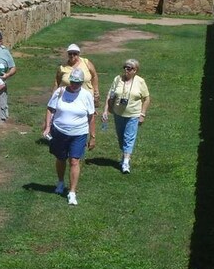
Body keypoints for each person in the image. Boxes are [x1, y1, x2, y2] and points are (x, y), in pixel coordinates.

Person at [43, 68, 96, 206]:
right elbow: (50, 108)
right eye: (73, 82)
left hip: (79, 133)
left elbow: (91, 116)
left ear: (82, 82)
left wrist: (93, 136)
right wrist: (48, 126)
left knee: (74, 161)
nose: (74, 85)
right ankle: (61, 182)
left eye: (78, 83)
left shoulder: (86, 95)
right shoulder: (60, 92)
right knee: (60, 158)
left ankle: (72, 192)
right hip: (59, 132)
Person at [102, 59, 150, 174]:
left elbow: (147, 98)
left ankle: (126, 163)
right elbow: (111, 95)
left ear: (135, 70)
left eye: (129, 68)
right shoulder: (117, 79)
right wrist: (106, 110)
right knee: (121, 137)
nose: (126, 70)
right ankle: (124, 157)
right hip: (118, 113)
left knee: (129, 137)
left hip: (133, 114)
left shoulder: (140, 81)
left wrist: (142, 114)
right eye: (125, 67)